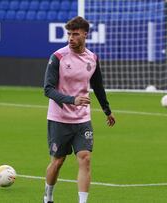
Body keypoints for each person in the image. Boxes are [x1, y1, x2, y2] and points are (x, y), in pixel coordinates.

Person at [43, 16, 116, 203]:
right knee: (58, 162)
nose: (70, 38)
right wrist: (72, 100)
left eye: (75, 34)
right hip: (59, 118)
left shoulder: (92, 58)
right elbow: (48, 89)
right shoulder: (57, 57)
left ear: (85, 34)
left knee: (85, 158)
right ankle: (48, 196)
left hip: (82, 120)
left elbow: (98, 86)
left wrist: (107, 110)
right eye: (69, 34)